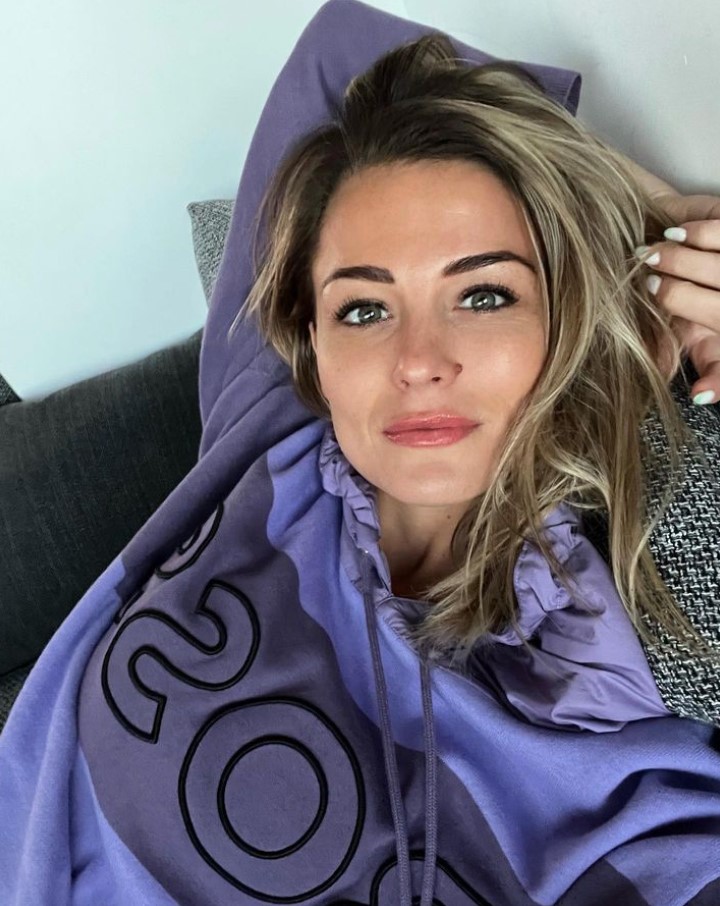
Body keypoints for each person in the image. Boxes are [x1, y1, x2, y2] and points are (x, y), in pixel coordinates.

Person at [1, 2, 719, 904]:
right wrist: (667, 216)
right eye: (365, 309)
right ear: (313, 345)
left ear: (566, 320)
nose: (417, 361)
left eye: (485, 295)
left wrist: (632, 248)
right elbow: (343, 47)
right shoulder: (271, 420)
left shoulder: (592, 676)